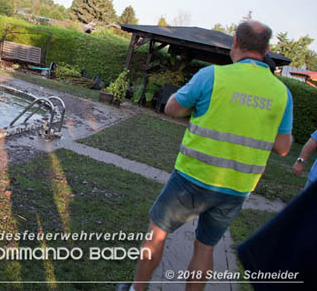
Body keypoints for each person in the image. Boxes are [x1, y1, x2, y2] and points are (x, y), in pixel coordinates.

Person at [126, 21, 294, 291]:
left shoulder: (212, 76)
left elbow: (171, 108)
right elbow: (283, 148)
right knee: (205, 249)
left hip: (191, 178)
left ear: (235, 42)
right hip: (236, 189)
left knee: (156, 236)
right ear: (267, 50)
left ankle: (136, 289)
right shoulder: (282, 94)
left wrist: (197, 112)